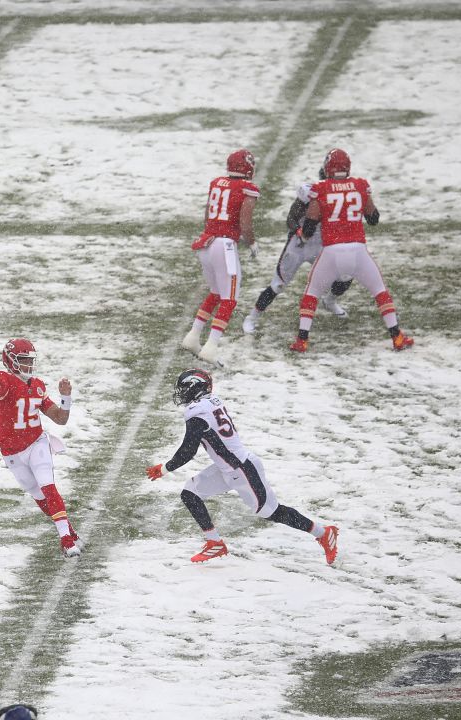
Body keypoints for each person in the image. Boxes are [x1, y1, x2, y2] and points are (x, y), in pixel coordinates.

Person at [145, 368, 339, 565]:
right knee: (190, 493)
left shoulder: (197, 412)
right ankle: (215, 543)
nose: (182, 393)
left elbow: (188, 450)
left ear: (196, 387)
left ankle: (323, 533)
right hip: (227, 468)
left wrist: (164, 469)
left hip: (242, 469)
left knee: (271, 512)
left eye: (185, 388)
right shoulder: (209, 402)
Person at [0, 326, 82, 557]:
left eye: (30, 361)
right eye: (23, 360)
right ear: (10, 361)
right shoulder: (4, 383)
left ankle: (66, 541)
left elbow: (60, 419)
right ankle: (69, 531)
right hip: (11, 450)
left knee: (48, 487)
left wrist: (66, 398)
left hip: (36, 443)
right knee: (38, 495)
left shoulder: (37, 385)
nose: (28, 366)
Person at [288, 148, 412, 353]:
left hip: (331, 251)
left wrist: (307, 229)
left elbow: (309, 227)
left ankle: (302, 340)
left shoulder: (321, 188)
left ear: (328, 167)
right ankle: (396, 336)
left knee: (311, 293)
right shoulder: (361, 185)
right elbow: (373, 219)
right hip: (357, 251)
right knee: (380, 291)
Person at [242, 164, 354, 334]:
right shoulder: (310, 194)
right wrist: (299, 230)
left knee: (345, 275)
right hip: (299, 245)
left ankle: (330, 301)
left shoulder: (346, 195)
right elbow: (291, 218)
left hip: (323, 245)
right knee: (278, 285)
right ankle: (252, 317)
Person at [180, 149, 260, 365]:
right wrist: (251, 241)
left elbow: (208, 213)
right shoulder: (247, 188)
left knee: (215, 292)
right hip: (224, 246)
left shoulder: (217, 183)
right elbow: (245, 222)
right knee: (229, 298)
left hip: (206, 242)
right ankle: (211, 348)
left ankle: (193, 336)